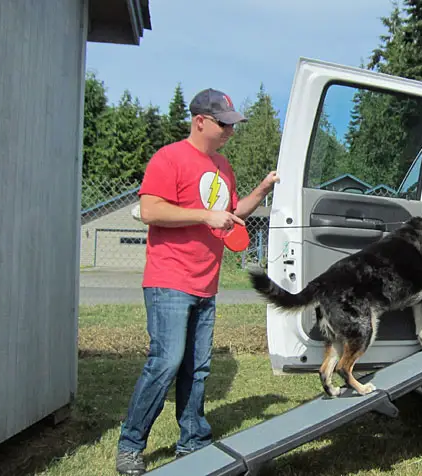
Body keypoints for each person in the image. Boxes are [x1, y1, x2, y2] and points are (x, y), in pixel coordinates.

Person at [115, 88, 280, 475]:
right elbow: (150, 209)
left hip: (206, 284)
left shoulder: (223, 166)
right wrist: (205, 217)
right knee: (166, 362)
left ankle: (193, 441)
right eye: (223, 124)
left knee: (197, 367)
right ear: (200, 120)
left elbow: (232, 213)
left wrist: (262, 189)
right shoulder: (169, 157)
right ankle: (130, 445)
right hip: (169, 279)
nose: (229, 131)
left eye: (232, 125)